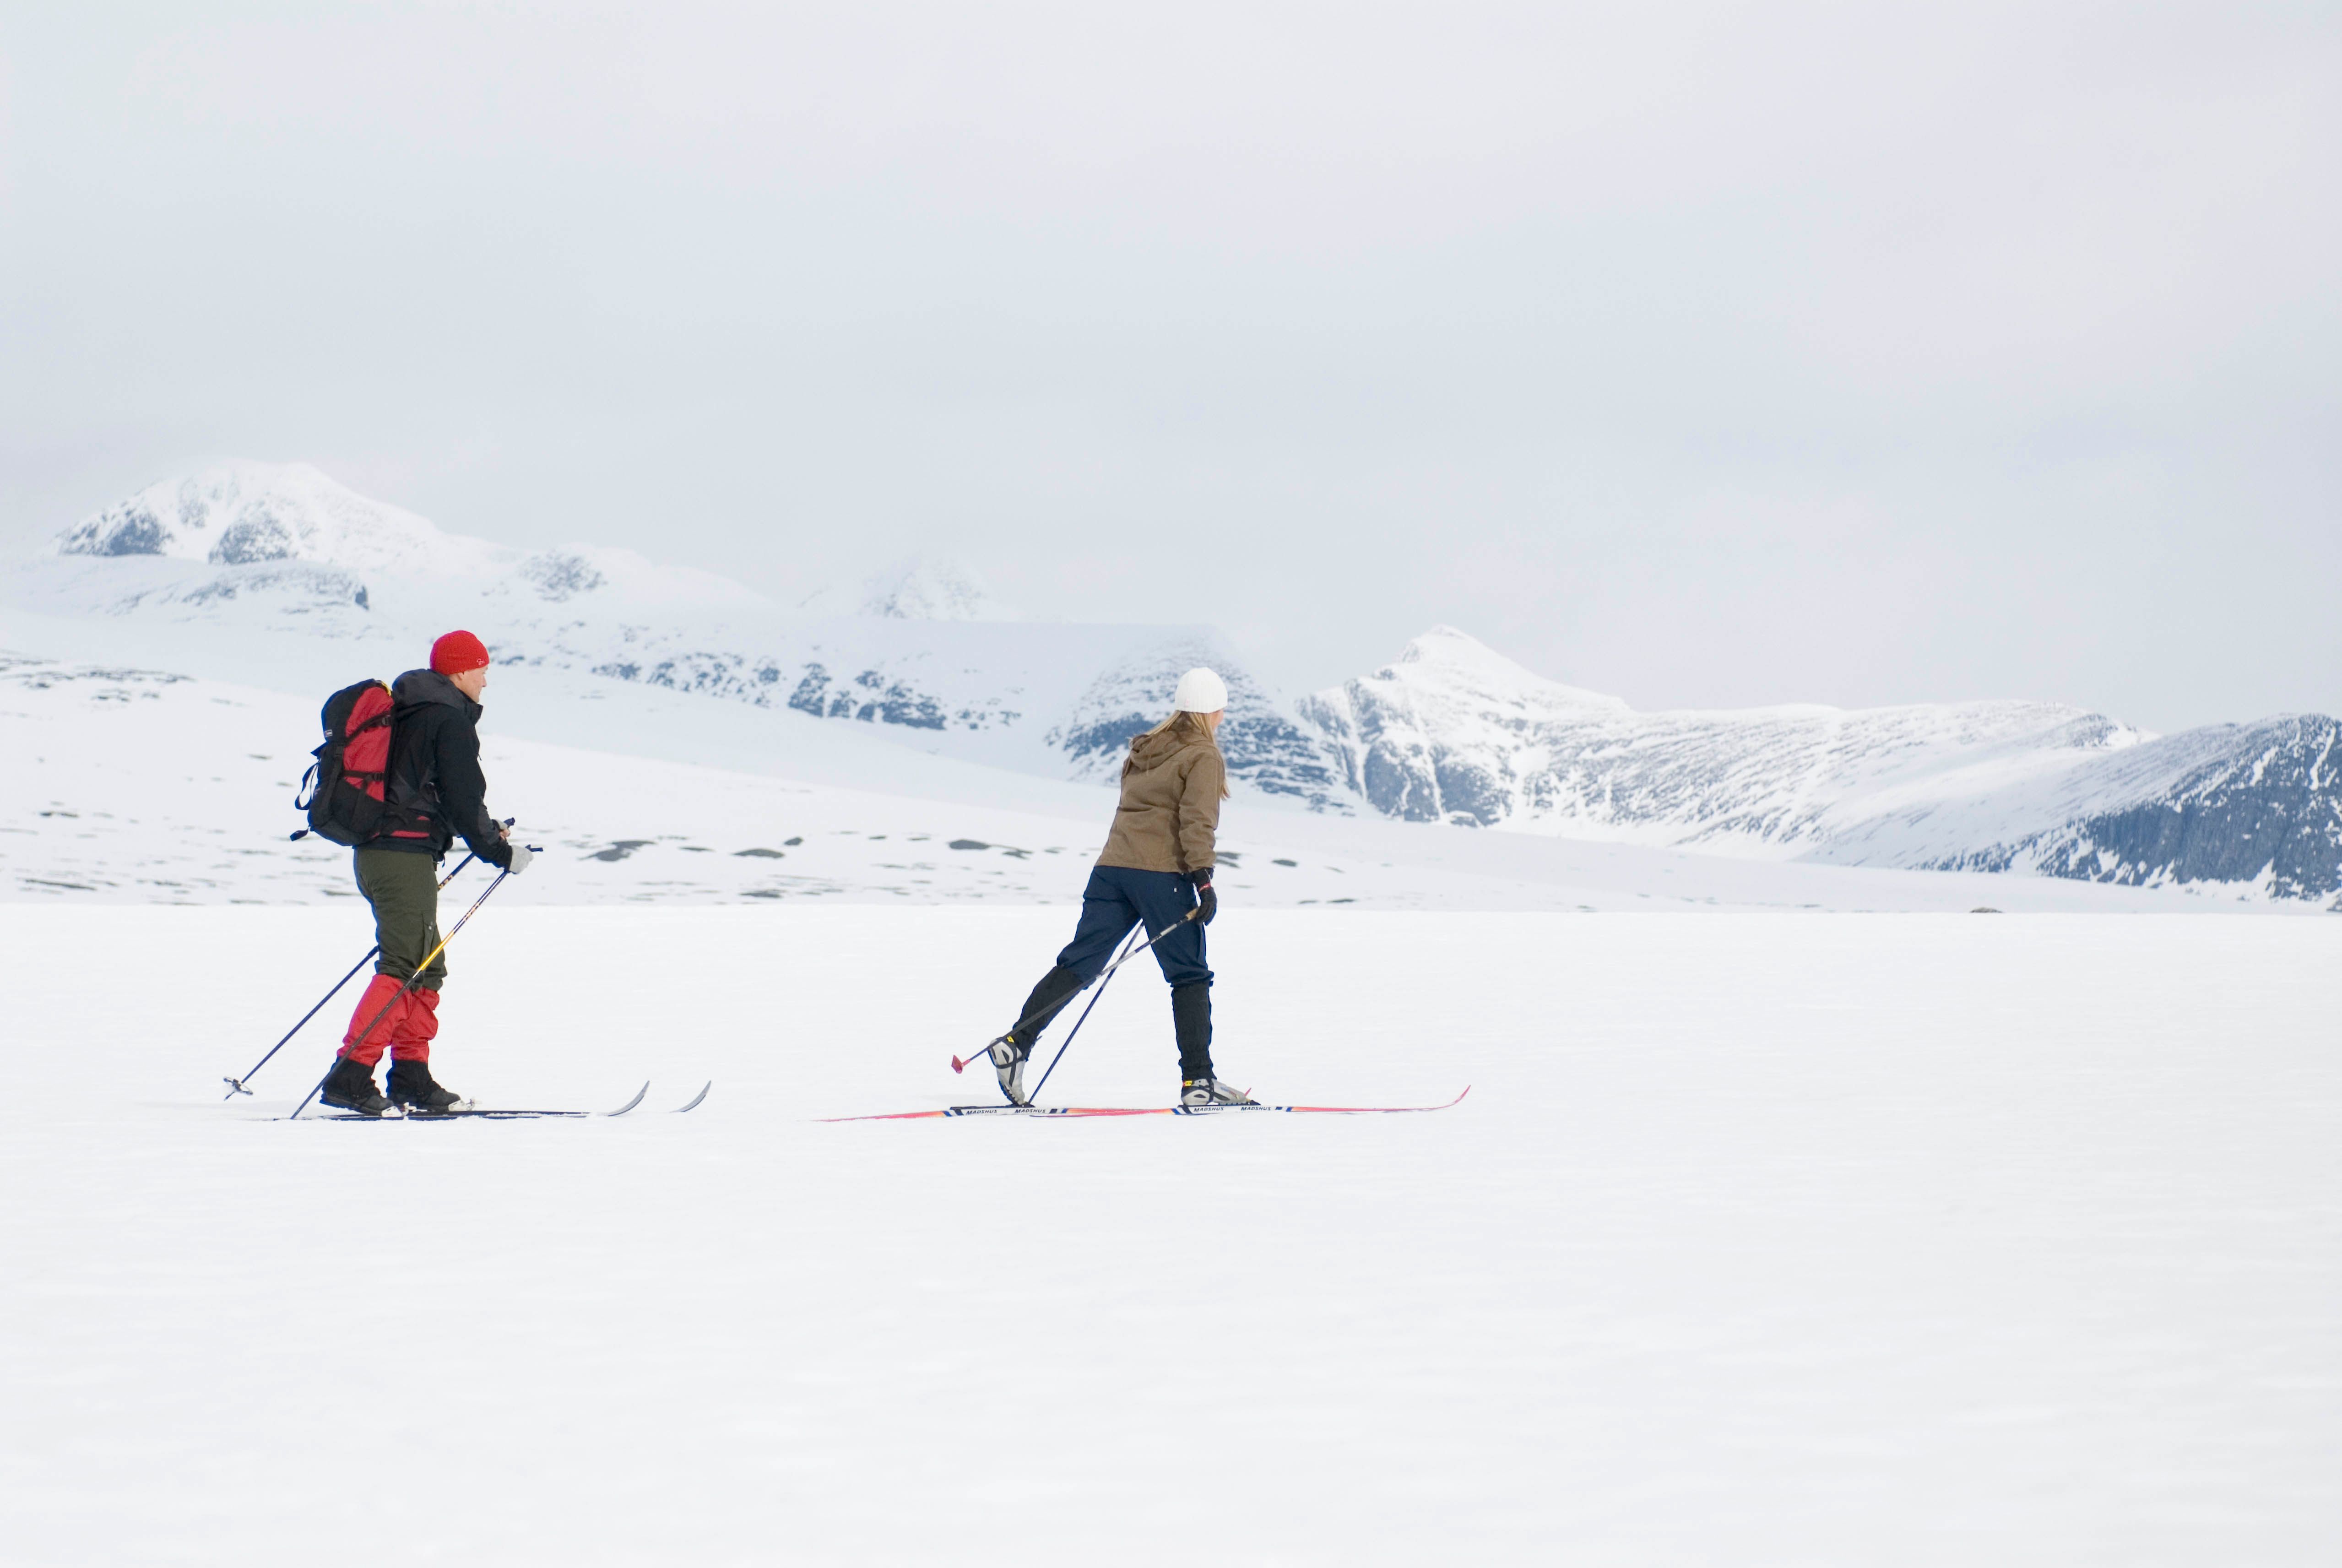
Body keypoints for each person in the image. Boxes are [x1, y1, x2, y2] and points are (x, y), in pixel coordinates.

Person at [987, 667, 1254, 1108]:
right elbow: (1196, 822)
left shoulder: (1147, 749)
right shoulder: (1203, 755)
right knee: (1189, 974)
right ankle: (1199, 1084)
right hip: (1161, 876)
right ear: (1213, 710)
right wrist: (1204, 880)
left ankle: (1017, 1044)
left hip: (1112, 870)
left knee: (1079, 963)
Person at [318, 630, 531, 1116]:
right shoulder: (447, 719)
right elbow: (462, 796)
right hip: (401, 856)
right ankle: (350, 1075)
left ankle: (411, 1076)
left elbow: (430, 794)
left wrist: (480, 833)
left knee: (426, 966)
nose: (484, 680)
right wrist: (499, 851)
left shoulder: (415, 712)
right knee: (403, 965)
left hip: (384, 855)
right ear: (458, 671)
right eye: (480, 670)